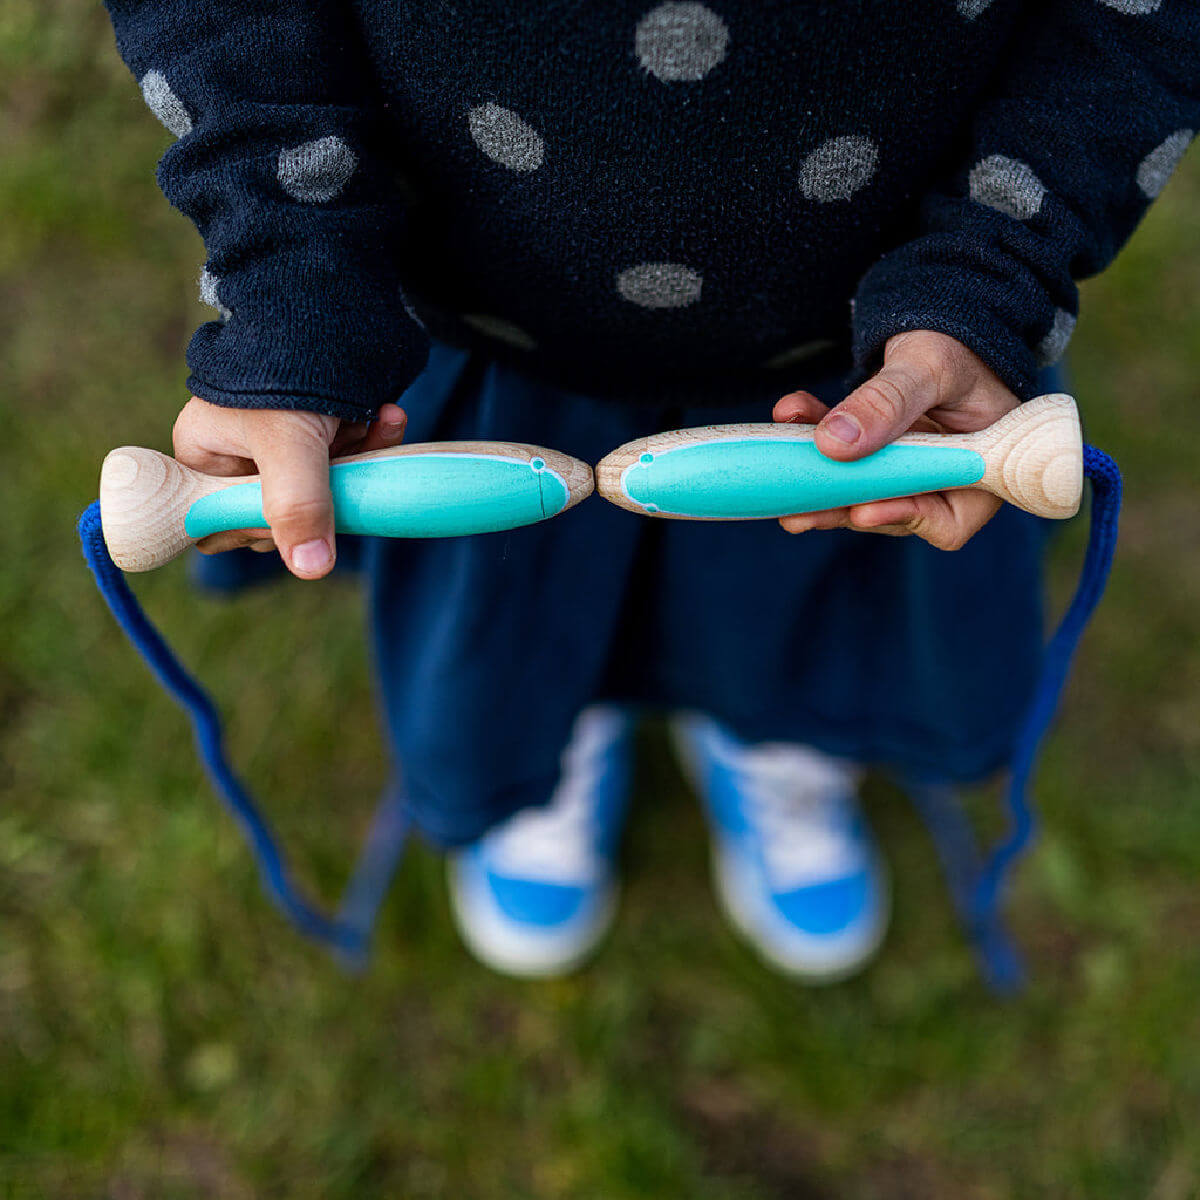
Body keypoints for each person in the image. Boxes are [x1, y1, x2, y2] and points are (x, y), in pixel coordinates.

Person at [102, 1, 1197, 980]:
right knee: (519, 614)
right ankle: (551, 742)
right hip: (485, 327)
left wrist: (997, 267)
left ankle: (778, 736)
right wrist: (292, 279)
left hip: (865, 364)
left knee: (791, 599)